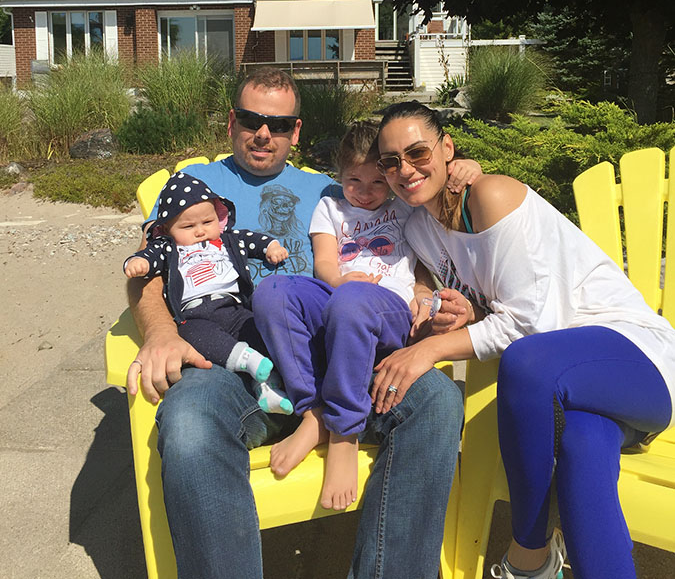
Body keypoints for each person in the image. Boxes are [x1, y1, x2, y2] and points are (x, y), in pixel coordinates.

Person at [126, 68, 464, 579]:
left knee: (436, 401)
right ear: (231, 122)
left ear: (297, 131)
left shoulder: (339, 188)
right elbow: (146, 270)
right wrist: (159, 331)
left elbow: (404, 219)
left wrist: (460, 177)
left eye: (279, 124)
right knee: (190, 421)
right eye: (251, 120)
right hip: (234, 359)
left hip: (339, 358)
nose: (264, 133)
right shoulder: (193, 187)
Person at [371, 101, 675, 579]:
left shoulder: (490, 195)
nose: (405, 169)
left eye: (418, 152)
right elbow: (440, 275)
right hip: (575, 398)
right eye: (391, 161)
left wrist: (426, 350)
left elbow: (529, 325)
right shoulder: (418, 229)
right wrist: (430, 295)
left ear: (447, 148)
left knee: (526, 362)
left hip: (634, 361)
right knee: (580, 451)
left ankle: (527, 556)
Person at [253, 120, 478, 510]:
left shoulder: (404, 208)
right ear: (338, 176)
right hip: (341, 295)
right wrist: (338, 282)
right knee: (272, 292)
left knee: (354, 300)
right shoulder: (330, 207)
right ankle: (314, 412)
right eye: (354, 181)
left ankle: (344, 429)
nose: (367, 192)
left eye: (378, 182)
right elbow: (324, 262)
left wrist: (468, 167)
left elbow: (444, 199)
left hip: (388, 311)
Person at [123, 172, 292, 413]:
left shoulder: (227, 240)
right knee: (195, 335)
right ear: (168, 229)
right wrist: (139, 263)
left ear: (219, 218)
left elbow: (253, 240)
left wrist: (271, 247)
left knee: (257, 331)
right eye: (188, 226)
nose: (200, 231)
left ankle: (268, 389)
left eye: (207, 222)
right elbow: (148, 257)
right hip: (195, 314)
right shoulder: (169, 249)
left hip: (234, 307)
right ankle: (246, 358)